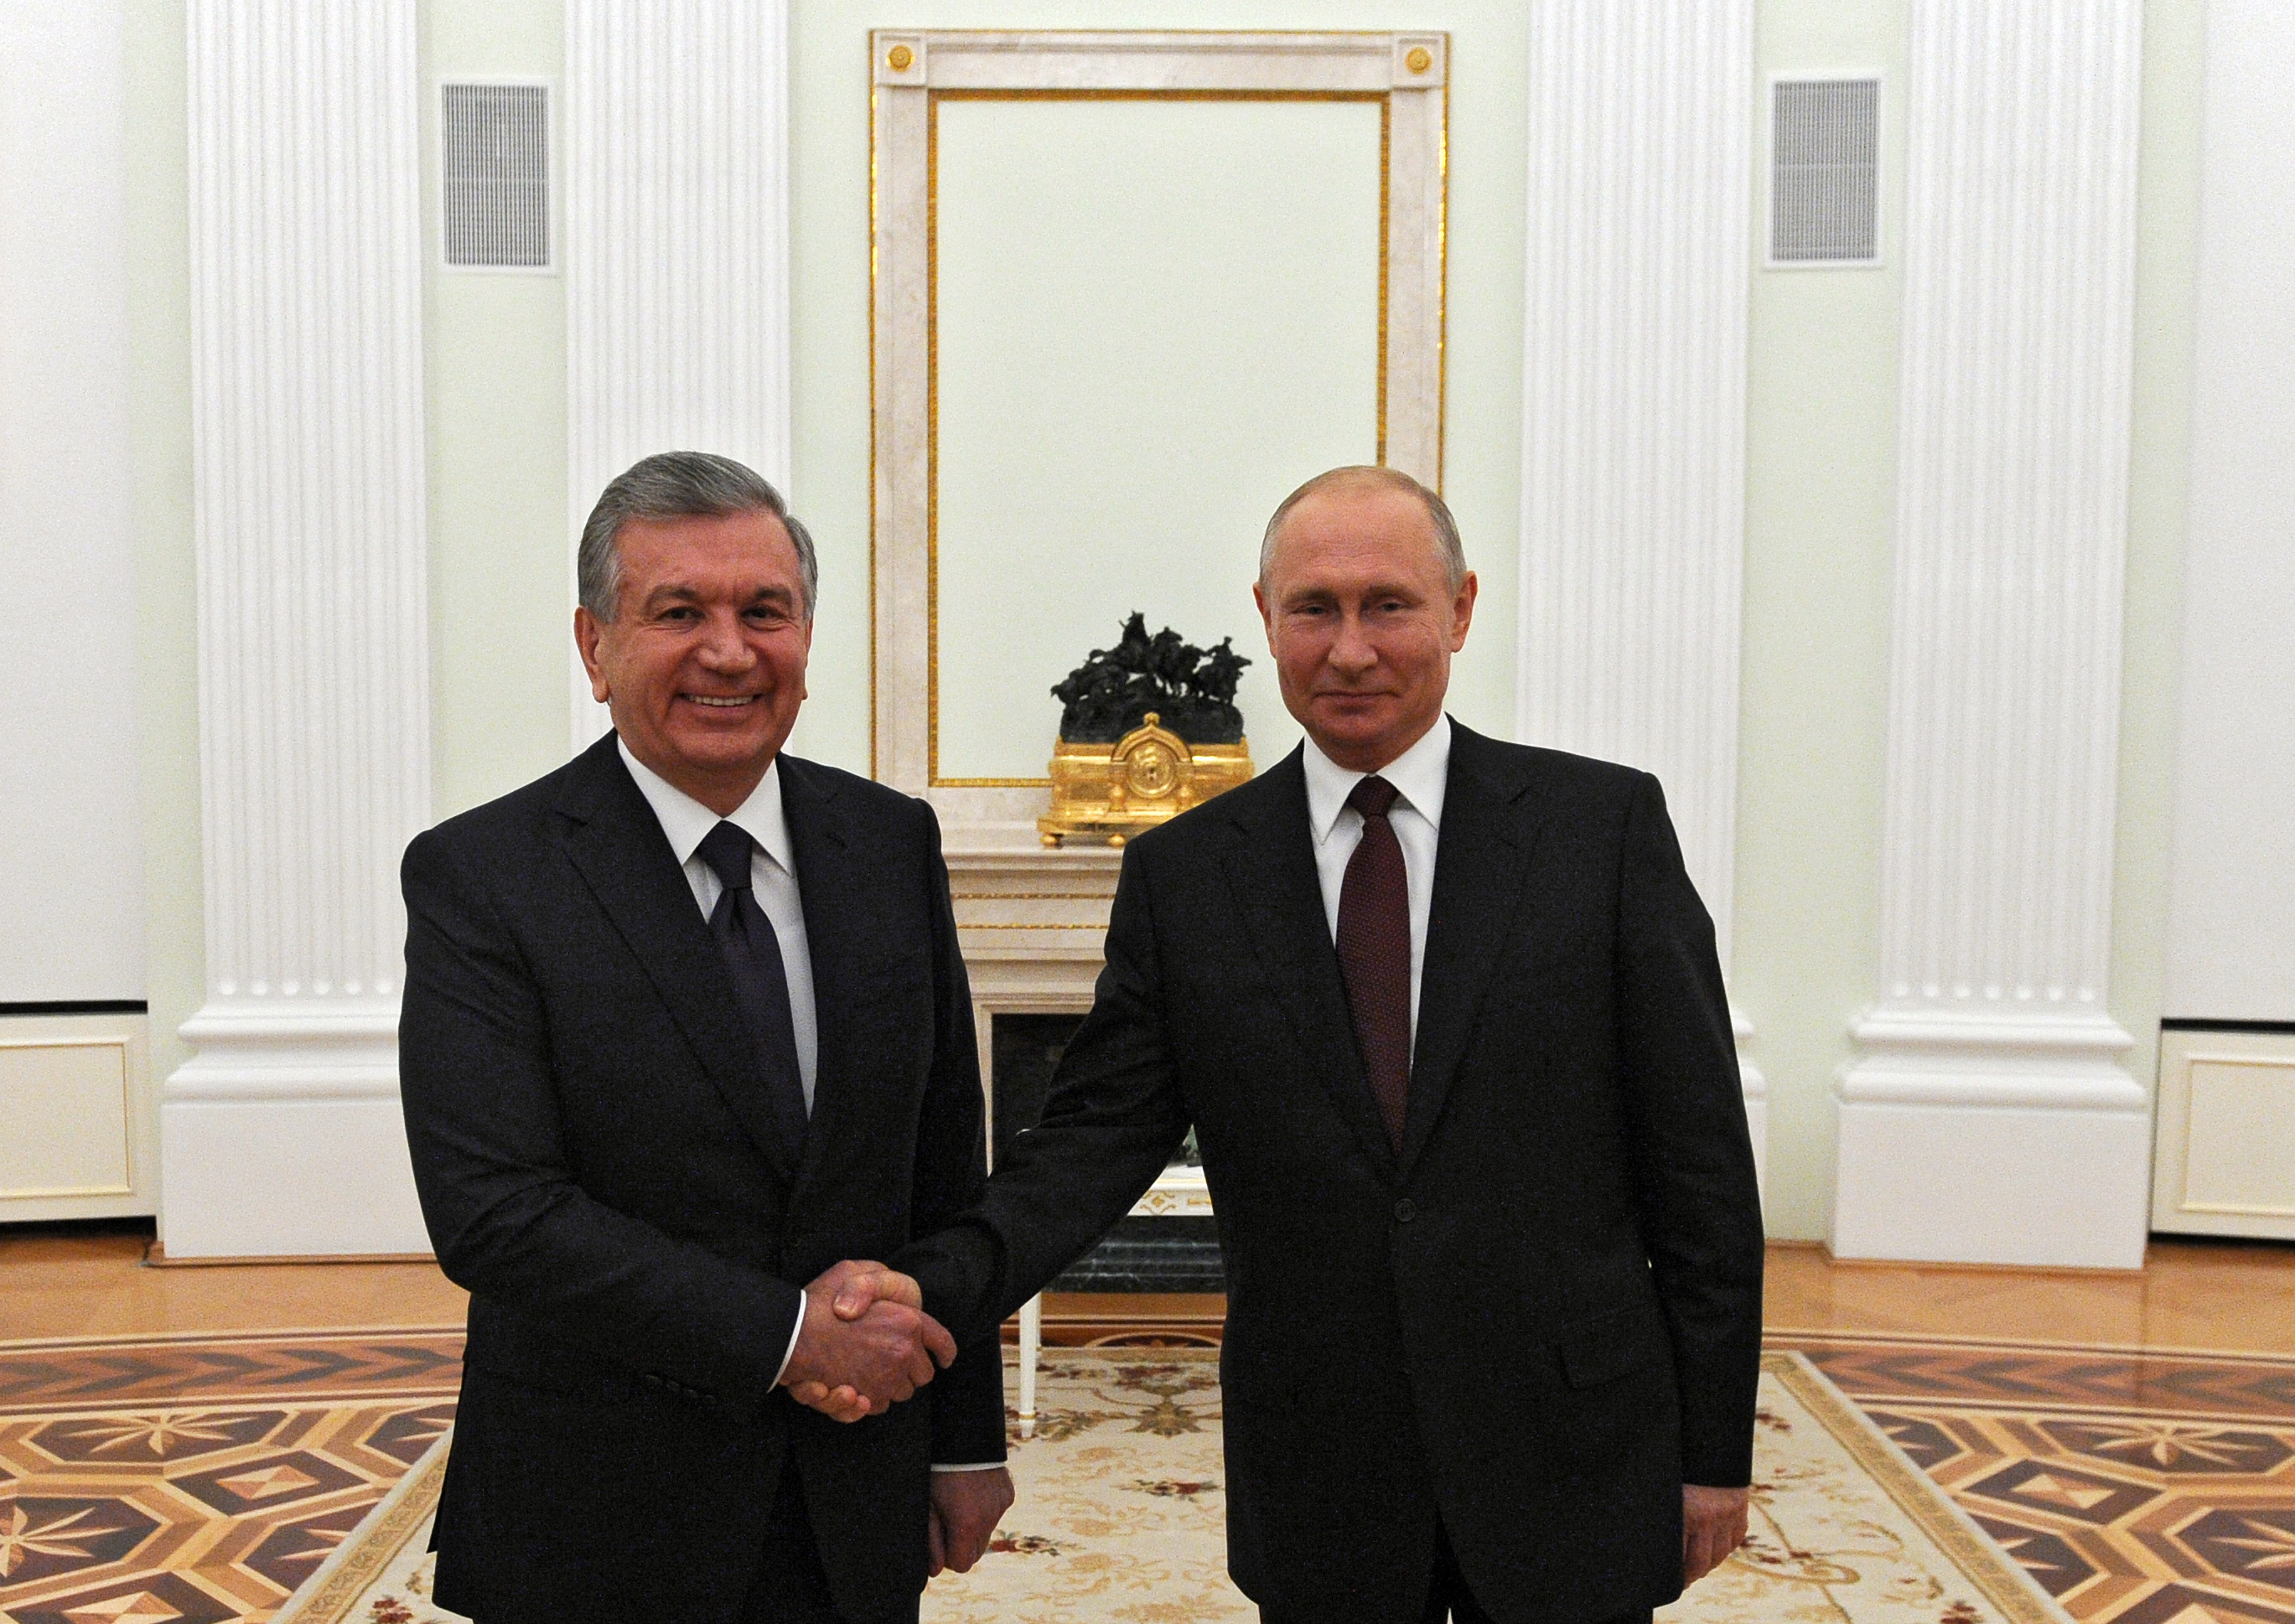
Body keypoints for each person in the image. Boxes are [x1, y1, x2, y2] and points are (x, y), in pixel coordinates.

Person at [842, 466, 1765, 1623]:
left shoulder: (1601, 831)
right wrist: (932, 1282)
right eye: (1312, 608)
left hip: (1569, 1444)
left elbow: (1701, 1171)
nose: (1349, 647)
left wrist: (1714, 1449)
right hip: (1322, 1463)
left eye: (1389, 603)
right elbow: (1090, 1143)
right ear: (1265, 618)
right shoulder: (1187, 876)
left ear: (1461, 610)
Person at [397, 451, 1014, 1624]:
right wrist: (787, 1337)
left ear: (804, 636)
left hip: (852, 1496)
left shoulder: (888, 844)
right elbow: (494, 1209)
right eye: (677, 611)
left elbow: (943, 1159)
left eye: (763, 612)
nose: (728, 651)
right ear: (594, 646)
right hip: (600, 1515)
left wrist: (959, 1442)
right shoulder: (488, 876)